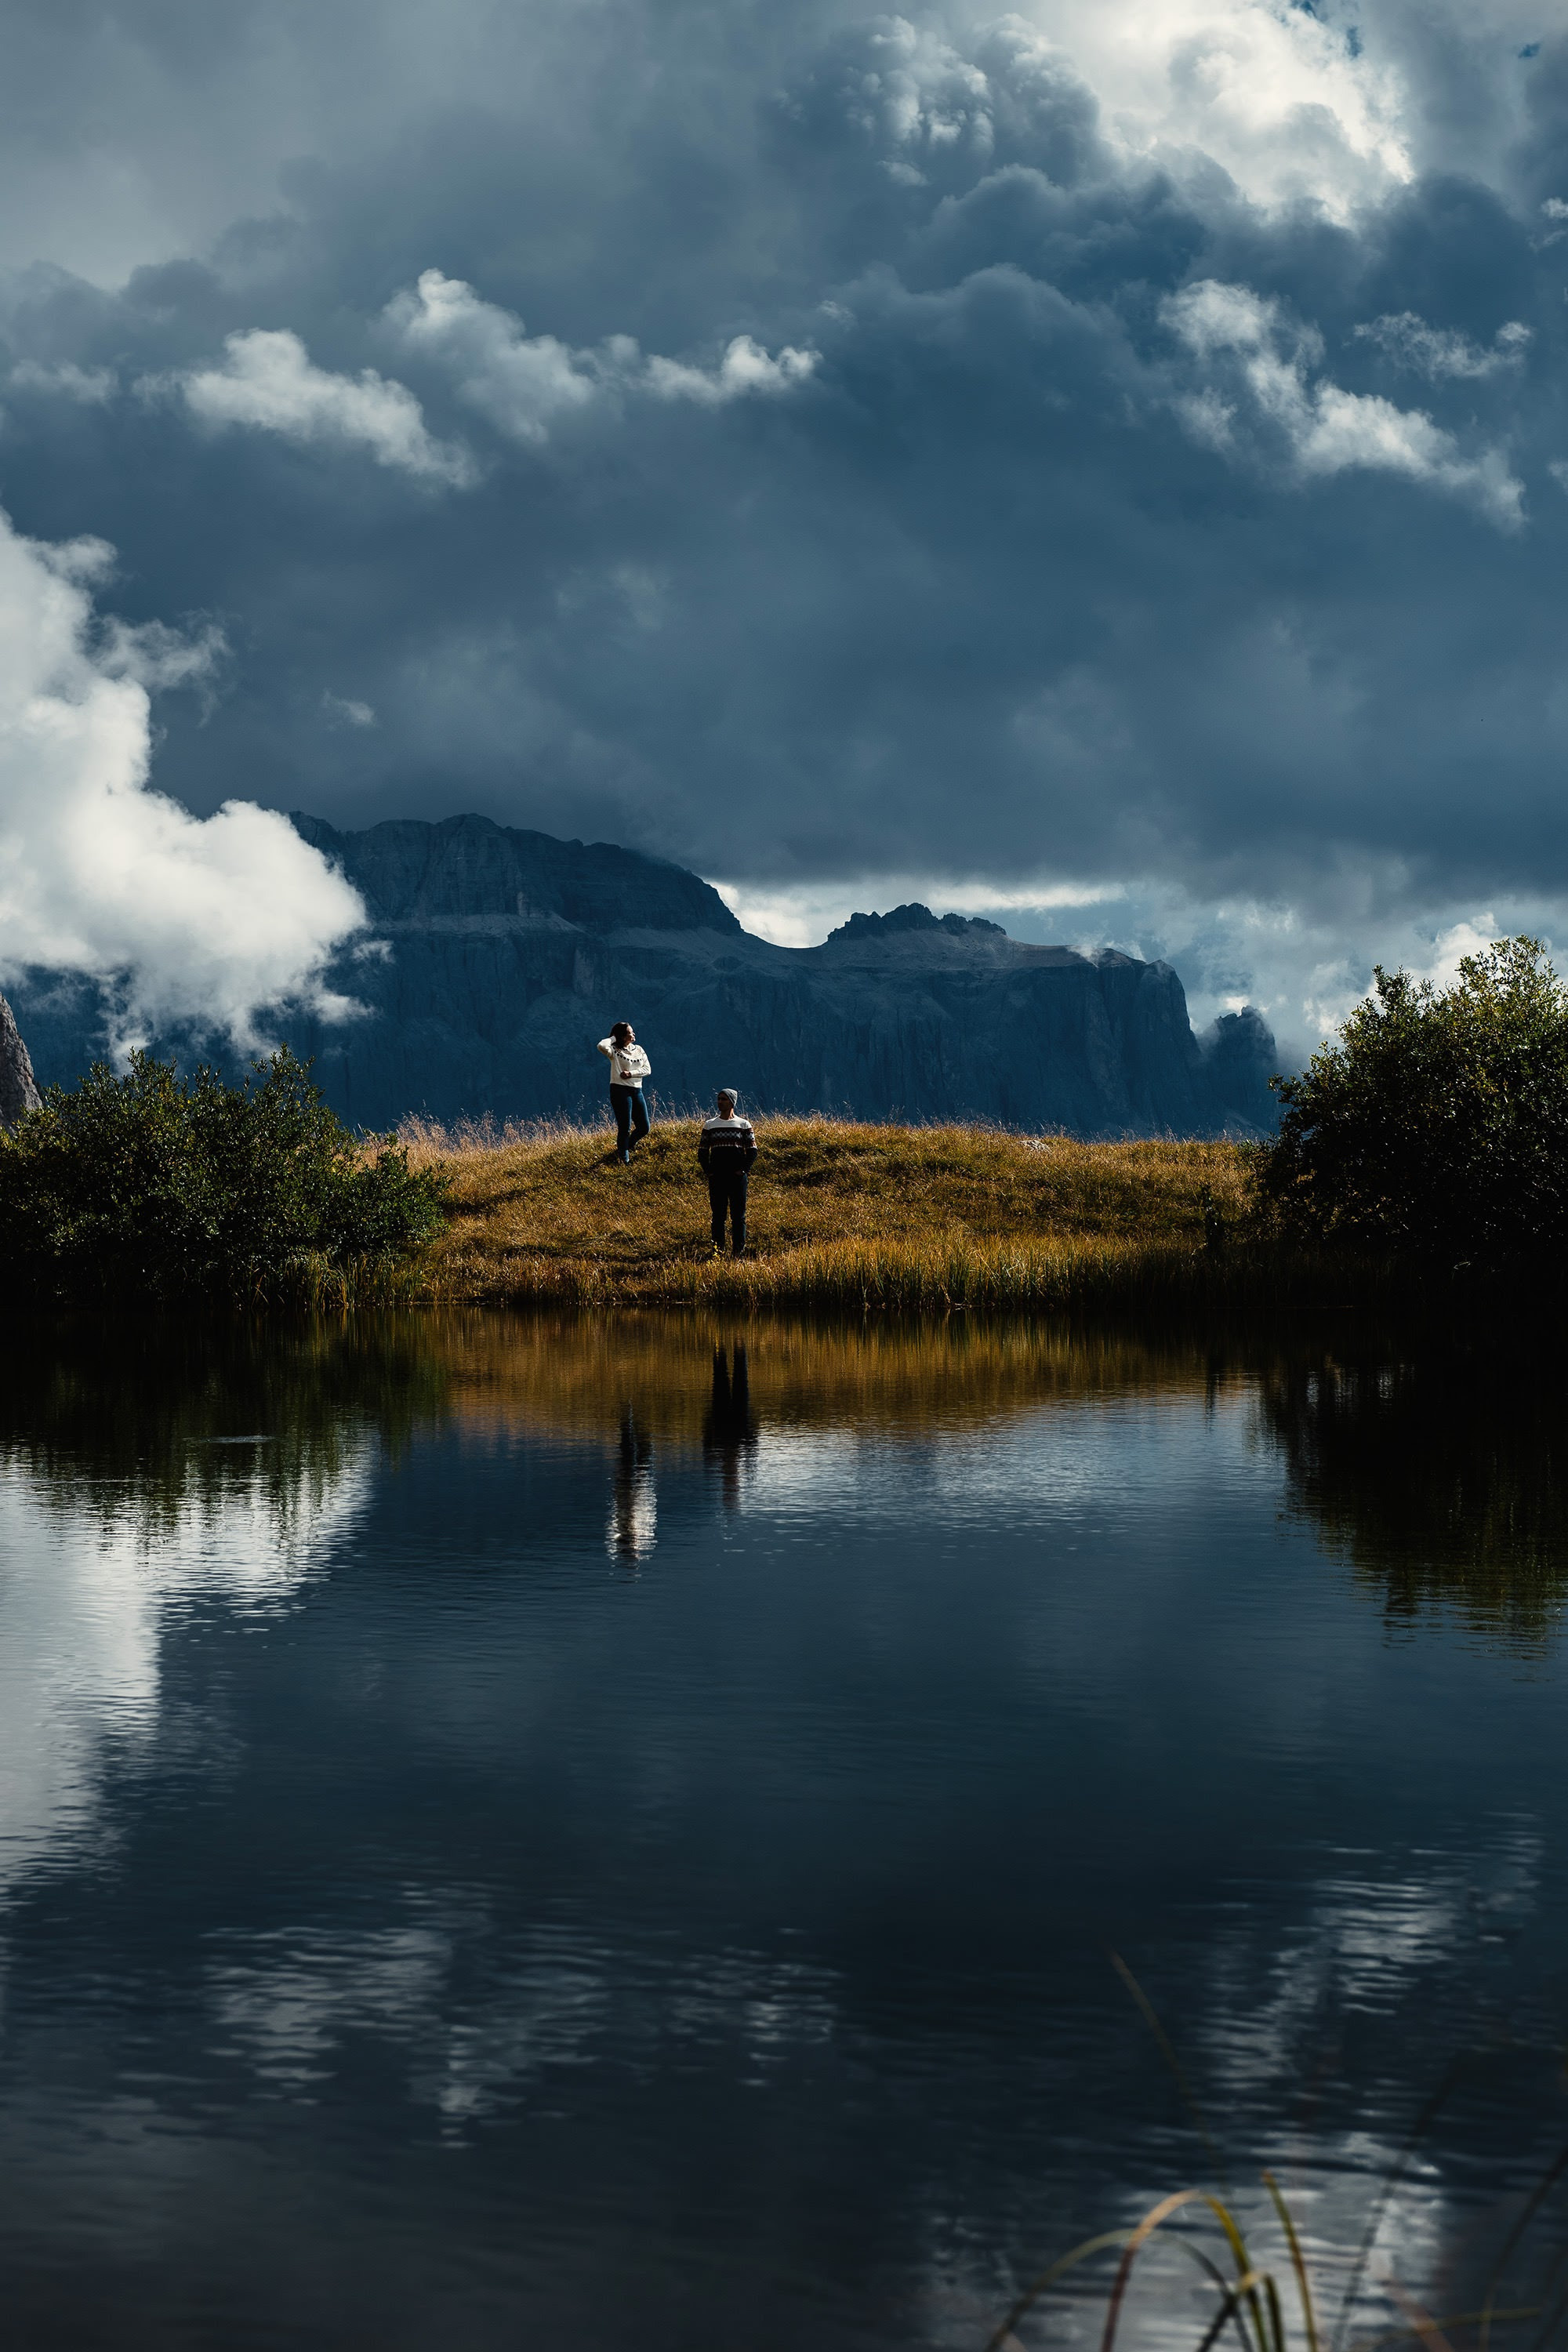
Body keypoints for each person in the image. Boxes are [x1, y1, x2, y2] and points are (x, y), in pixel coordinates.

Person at [697, 1089, 757, 1254]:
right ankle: (718, 1251)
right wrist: (709, 1172)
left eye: (724, 1099)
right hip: (717, 1177)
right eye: (719, 1099)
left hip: (737, 1178)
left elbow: (752, 1151)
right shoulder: (710, 1124)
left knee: (739, 1217)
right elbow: (702, 1151)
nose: (720, 1102)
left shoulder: (744, 1125)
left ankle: (738, 1251)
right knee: (718, 1216)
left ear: (732, 1102)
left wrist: (743, 1170)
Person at [597, 1020, 652, 1163]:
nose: (634, 1034)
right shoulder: (614, 1051)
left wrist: (631, 1074)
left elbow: (647, 1069)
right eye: (630, 1033)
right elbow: (601, 1045)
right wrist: (613, 1038)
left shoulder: (639, 1049)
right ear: (622, 1036)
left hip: (637, 1090)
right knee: (625, 1127)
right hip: (619, 1089)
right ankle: (624, 1159)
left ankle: (627, 1146)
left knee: (644, 1127)